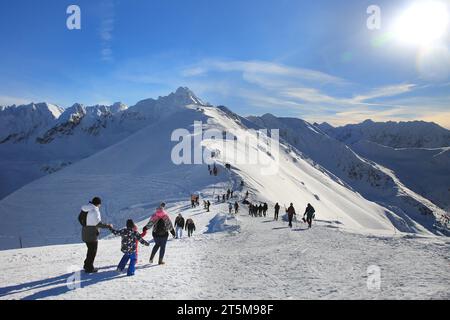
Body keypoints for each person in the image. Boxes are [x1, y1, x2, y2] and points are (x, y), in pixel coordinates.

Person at [78, 197, 112, 274]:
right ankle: (89, 268)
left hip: (85, 231)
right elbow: (98, 224)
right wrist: (108, 226)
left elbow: (79, 218)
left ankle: (87, 265)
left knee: (90, 250)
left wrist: (86, 225)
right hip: (91, 233)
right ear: (98, 204)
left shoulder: (86, 208)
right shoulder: (94, 211)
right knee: (92, 251)